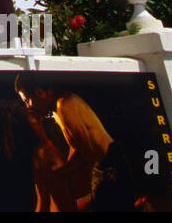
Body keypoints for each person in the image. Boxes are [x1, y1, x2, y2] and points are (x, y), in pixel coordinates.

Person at [14, 73, 136, 212]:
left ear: (40, 93)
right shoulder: (56, 112)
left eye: (27, 100)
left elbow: (88, 153)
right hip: (103, 168)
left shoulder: (65, 104)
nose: (28, 106)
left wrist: (60, 175)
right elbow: (76, 149)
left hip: (111, 165)